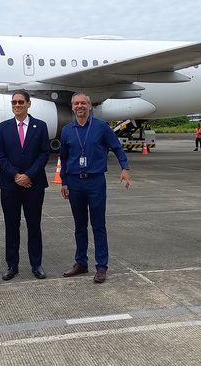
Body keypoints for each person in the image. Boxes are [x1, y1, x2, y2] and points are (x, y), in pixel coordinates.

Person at [60, 93, 131, 283]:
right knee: (79, 226)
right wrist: (64, 182)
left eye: (83, 103)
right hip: (75, 183)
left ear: (89, 106)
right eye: (76, 103)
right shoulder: (67, 130)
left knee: (98, 225)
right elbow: (64, 159)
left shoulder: (101, 127)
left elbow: (117, 147)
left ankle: (101, 267)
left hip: (95, 182)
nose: (79, 106)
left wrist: (125, 168)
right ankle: (81, 263)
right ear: (72, 107)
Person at [0, 90, 50, 281]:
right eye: (14, 102)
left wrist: (28, 175)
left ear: (28, 104)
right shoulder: (3, 127)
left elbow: (44, 154)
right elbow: (0, 155)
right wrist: (16, 175)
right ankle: (12, 265)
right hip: (10, 185)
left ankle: (36, 264)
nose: (17, 105)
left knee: (34, 224)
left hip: (34, 184)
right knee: (12, 225)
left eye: (20, 102)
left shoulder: (40, 126)